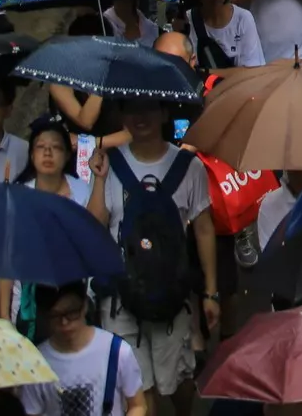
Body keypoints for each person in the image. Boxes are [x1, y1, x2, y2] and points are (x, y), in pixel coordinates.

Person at [85, 101, 220, 415]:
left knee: (177, 379)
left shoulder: (189, 167)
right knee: (137, 389)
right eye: (131, 108)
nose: (140, 116)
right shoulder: (109, 164)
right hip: (121, 295)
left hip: (171, 294)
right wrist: (100, 179)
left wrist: (211, 293)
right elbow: (94, 227)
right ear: (122, 117)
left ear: (164, 114)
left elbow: (203, 230)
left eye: (149, 108)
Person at [33, 282, 146, 416]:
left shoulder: (116, 351)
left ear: (85, 306)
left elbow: (138, 405)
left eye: (71, 313)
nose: (64, 323)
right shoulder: (36, 362)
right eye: (55, 316)